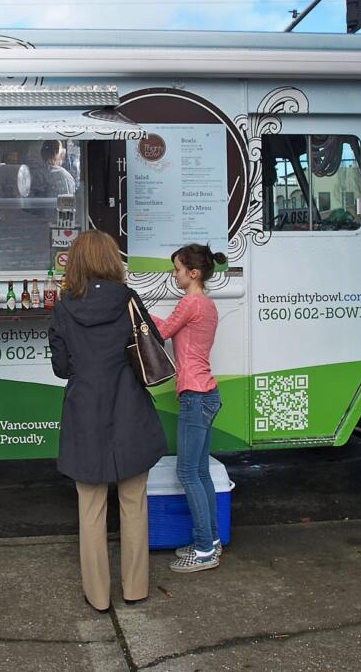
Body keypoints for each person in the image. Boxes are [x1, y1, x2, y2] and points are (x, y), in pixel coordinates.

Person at [48, 230, 167, 611]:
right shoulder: (129, 300)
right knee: (134, 503)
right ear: (113, 260)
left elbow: (62, 367)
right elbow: (153, 347)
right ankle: (135, 589)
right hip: (130, 410)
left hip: (85, 414)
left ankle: (98, 596)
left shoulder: (65, 307)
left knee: (91, 508)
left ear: (78, 262)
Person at [149, 244, 226, 573]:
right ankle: (210, 539)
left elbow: (162, 332)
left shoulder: (190, 302)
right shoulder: (207, 304)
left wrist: (136, 308)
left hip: (195, 396)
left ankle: (205, 549)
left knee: (187, 472)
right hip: (208, 393)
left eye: (177, 269)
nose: (174, 274)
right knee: (200, 472)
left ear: (193, 273)